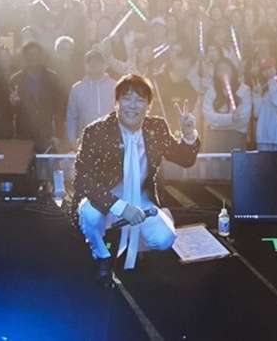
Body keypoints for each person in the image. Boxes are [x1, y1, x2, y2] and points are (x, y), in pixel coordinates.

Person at [73, 74, 199, 287]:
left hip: (141, 197)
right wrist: (120, 207)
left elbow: (184, 159)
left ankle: (134, 236)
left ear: (148, 106)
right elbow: (82, 179)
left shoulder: (156, 127)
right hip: (106, 197)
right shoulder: (96, 131)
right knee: (89, 214)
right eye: (127, 98)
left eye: (140, 100)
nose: (132, 105)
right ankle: (101, 255)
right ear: (116, 102)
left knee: (165, 239)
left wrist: (188, 135)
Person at [9, 41, 66, 151]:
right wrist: (13, 104)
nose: (33, 57)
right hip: (23, 138)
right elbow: (10, 113)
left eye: (36, 53)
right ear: (24, 57)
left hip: (47, 138)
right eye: (29, 54)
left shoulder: (53, 78)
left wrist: (58, 135)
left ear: (41, 56)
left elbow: (60, 109)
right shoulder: (15, 80)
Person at [65, 50, 115, 149]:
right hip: (85, 142)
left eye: (97, 62)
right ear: (85, 65)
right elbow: (71, 116)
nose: (93, 65)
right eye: (90, 62)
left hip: (112, 141)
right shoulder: (77, 89)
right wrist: (72, 140)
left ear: (103, 64)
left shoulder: (115, 86)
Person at [251, 57, 277, 150]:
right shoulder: (263, 87)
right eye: (264, 69)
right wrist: (257, 94)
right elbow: (257, 114)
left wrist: (272, 81)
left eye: (270, 67)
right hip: (263, 138)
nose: (267, 71)